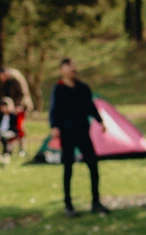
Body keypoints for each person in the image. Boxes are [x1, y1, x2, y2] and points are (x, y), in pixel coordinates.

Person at [49, 58, 111, 217]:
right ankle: (68, 204)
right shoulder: (59, 89)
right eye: (68, 67)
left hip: (83, 131)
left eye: (73, 67)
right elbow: (54, 110)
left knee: (93, 165)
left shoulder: (83, 88)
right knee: (68, 167)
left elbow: (90, 106)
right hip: (67, 133)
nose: (72, 70)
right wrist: (54, 126)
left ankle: (96, 201)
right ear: (61, 70)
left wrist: (99, 120)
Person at [0, 66, 34, 157]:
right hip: (10, 107)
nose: (1, 79)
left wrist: (18, 106)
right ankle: (9, 149)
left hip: (20, 107)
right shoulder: (5, 82)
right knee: (9, 128)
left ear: (5, 73)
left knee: (19, 127)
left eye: (2, 77)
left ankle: (22, 148)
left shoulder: (16, 78)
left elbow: (23, 93)